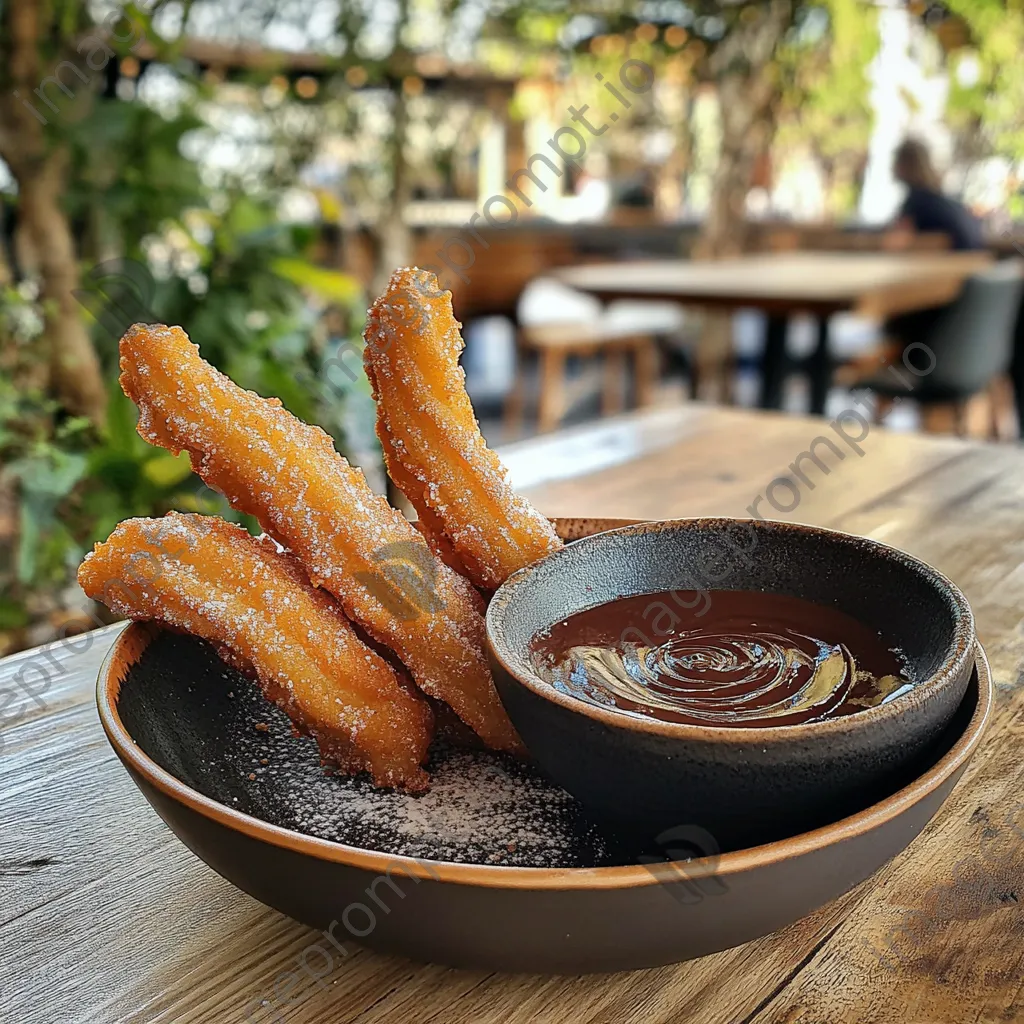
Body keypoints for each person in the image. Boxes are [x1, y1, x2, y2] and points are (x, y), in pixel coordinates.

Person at [891, 138, 984, 251]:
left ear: (905, 164)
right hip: (971, 260)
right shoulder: (935, 199)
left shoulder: (917, 201)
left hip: (952, 264)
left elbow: (897, 241)